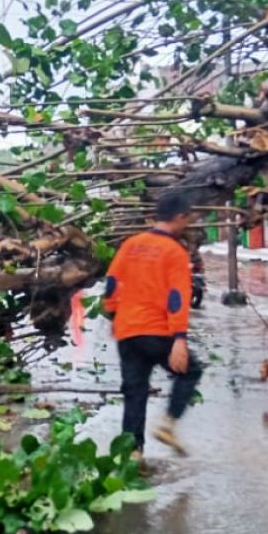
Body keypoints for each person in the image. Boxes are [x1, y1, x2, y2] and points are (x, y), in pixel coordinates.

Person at [104, 192, 205, 461]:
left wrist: (114, 316)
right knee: (190, 370)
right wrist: (180, 339)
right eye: (188, 219)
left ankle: (133, 454)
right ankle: (168, 425)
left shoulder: (131, 244)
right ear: (180, 217)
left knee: (134, 392)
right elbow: (177, 298)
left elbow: (112, 282)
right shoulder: (175, 252)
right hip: (157, 331)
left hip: (127, 331)